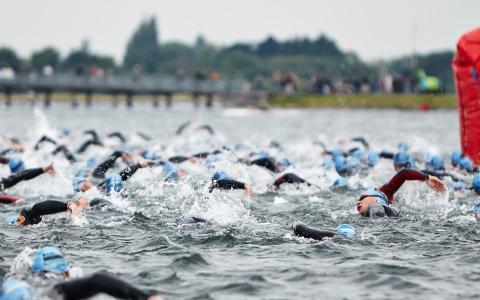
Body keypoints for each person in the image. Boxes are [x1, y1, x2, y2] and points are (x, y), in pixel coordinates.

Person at [1, 246, 162, 300]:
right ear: (65, 272)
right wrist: (146, 297)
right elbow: (98, 280)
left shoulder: (18, 274)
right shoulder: (53, 288)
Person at [356, 169, 446, 217]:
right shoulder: (385, 193)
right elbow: (404, 173)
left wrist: (427, 177)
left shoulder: (385, 193)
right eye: (360, 199)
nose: (358, 202)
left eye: (362, 199)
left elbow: (404, 173)